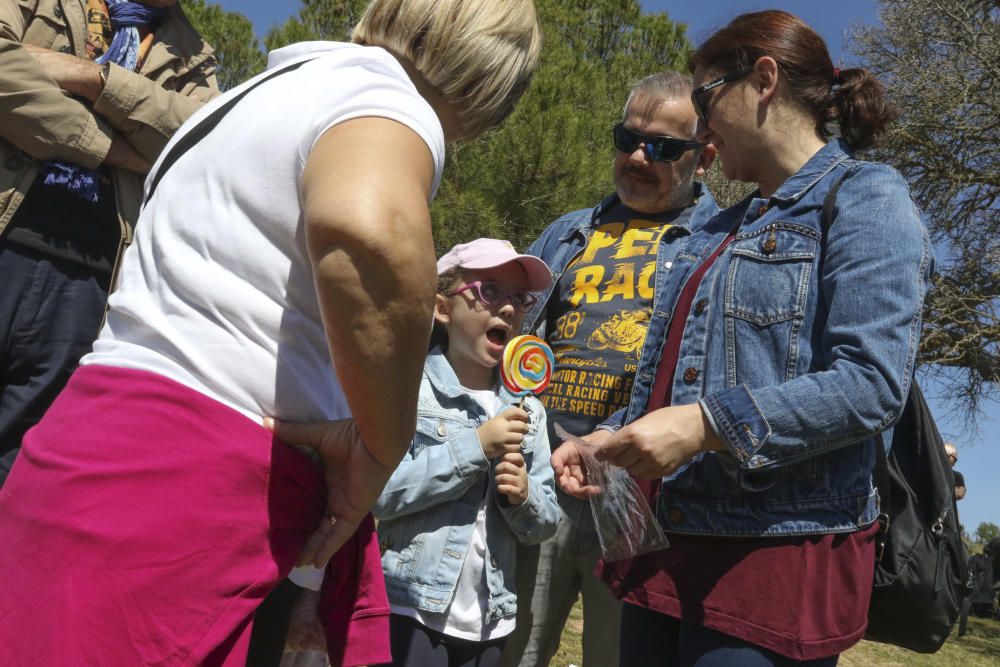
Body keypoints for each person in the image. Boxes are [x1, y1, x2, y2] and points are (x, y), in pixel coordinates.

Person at [0, 1, 541, 664]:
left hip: (85, 453)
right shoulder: (386, 99)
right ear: (492, 87)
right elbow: (369, 232)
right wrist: (385, 440)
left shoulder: (254, 98)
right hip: (194, 496)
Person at [553, 10, 931, 665]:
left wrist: (705, 425)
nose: (700, 130)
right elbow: (670, 372)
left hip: (773, 554)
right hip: (663, 543)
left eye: (704, 101)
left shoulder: (868, 198)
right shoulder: (713, 228)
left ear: (763, 79)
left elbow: (872, 384)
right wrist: (609, 436)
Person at [500, 72, 718, 667]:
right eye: (628, 138)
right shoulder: (566, 232)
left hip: (640, 493)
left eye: (666, 148)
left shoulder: (721, 245)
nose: (640, 156)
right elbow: (520, 339)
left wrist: (616, 439)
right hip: (540, 475)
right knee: (512, 649)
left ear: (706, 156)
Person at [0, 0, 218, 484]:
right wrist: (115, 149)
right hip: (7, 237)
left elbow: (205, 140)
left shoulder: (194, 56)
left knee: (21, 470)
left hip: (93, 286)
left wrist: (92, 79)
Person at [374, 238, 561, 667]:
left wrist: (522, 496)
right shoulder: (413, 389)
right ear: (442, 308)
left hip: (489, 621)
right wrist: (476, 447)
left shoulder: (528, 410)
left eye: (519, 298)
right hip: (409, 608)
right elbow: (382, 493)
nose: (509, 309)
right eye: (489, 291)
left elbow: (543, 524)